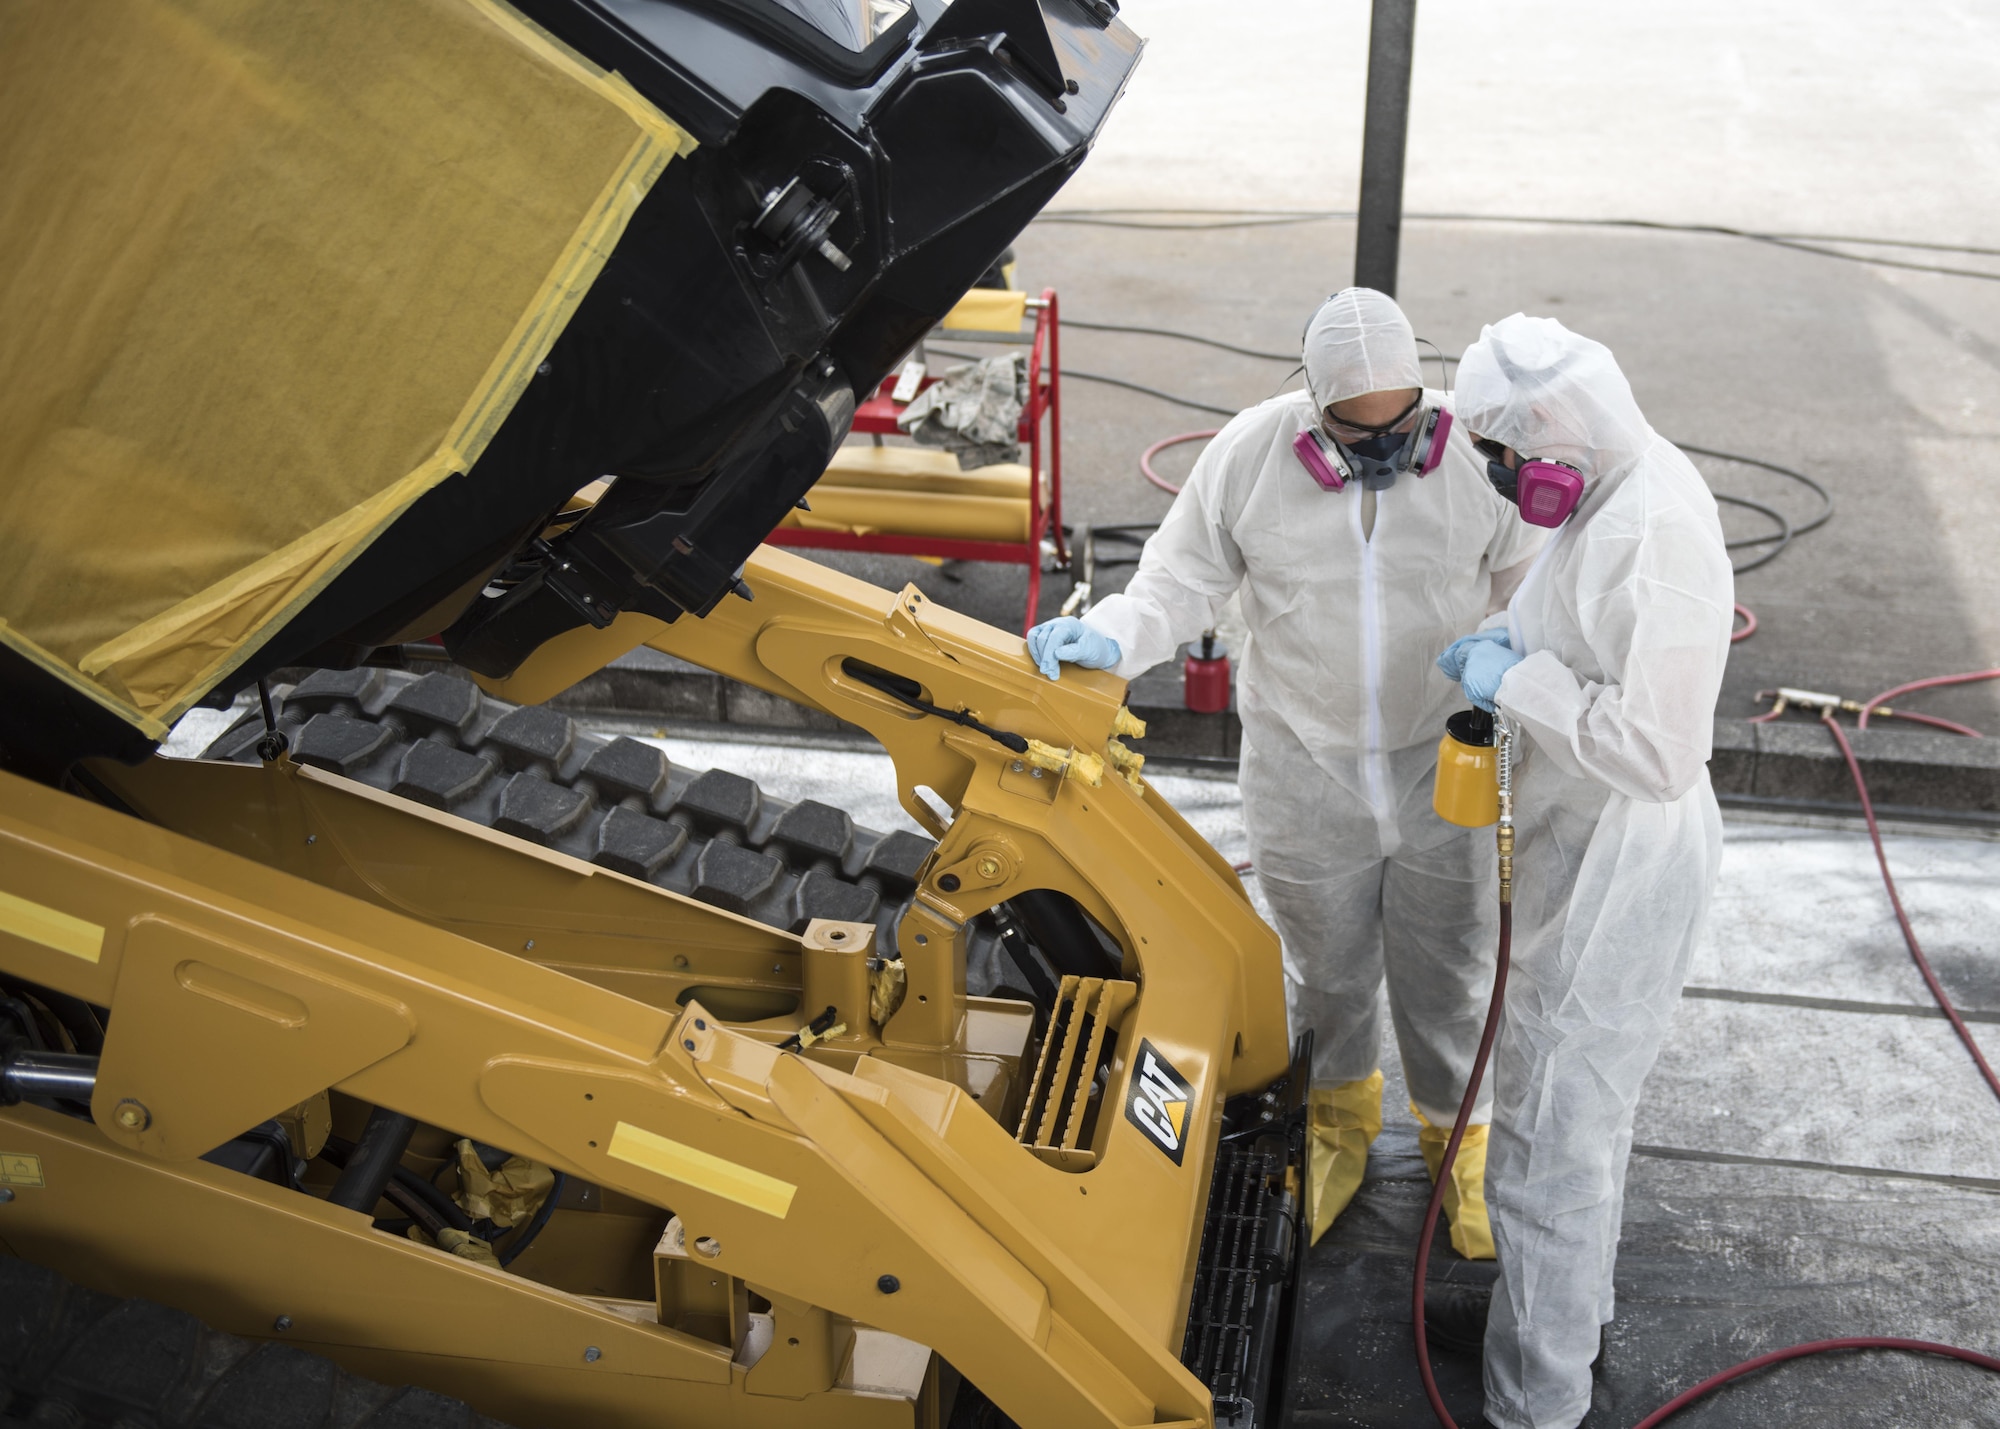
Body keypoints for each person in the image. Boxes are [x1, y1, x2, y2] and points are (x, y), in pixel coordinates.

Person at [1027, 288, 1545, 1256]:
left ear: (1423, 395)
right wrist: (1108, 636)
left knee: (1452, 968)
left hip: (1446, 759)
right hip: (1305, 764)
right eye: (1355, 432)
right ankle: (1336, 1126)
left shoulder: (1476, 460)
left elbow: (1529, 581)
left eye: (1398, 425)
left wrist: (1516, 662)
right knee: (1324, 969)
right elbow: (1179, 580)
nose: (1381, 452)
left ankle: (1456, 1138)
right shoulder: (1250, 458)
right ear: (1312, 409)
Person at [1438, 314, 1734, 1429]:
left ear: (1555, 431)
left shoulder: (1653, 529)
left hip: (1621, 851)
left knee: (1549, 1138)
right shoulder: (1607, 489)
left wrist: (1512, 683)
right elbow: (1559, 608)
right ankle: (1560, 1318)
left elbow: (1658, 754)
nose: (1504, 481)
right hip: (1578, 834)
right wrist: (1499, 639)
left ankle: (1536, 1402)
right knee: (1565, 1113)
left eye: (1504, 458)